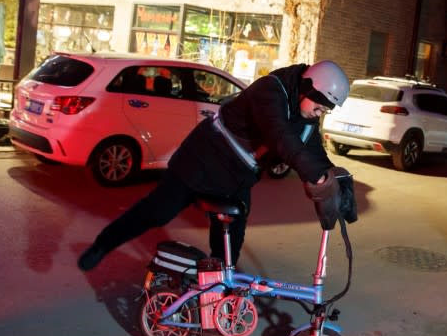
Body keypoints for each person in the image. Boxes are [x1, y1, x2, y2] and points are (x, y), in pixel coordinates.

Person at [78, 60, 350, 272]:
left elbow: (312, 150)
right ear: (307, 87)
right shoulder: (271, 91)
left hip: (236, 177)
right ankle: (103, 244)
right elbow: (282, 138)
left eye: (325, 110)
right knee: (155, 212)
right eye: (319, 105)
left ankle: (216, 292)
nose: (319, 113)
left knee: (230, 240)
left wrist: (337, 181)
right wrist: (315, 176)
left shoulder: (306, 117)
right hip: (202, 159)